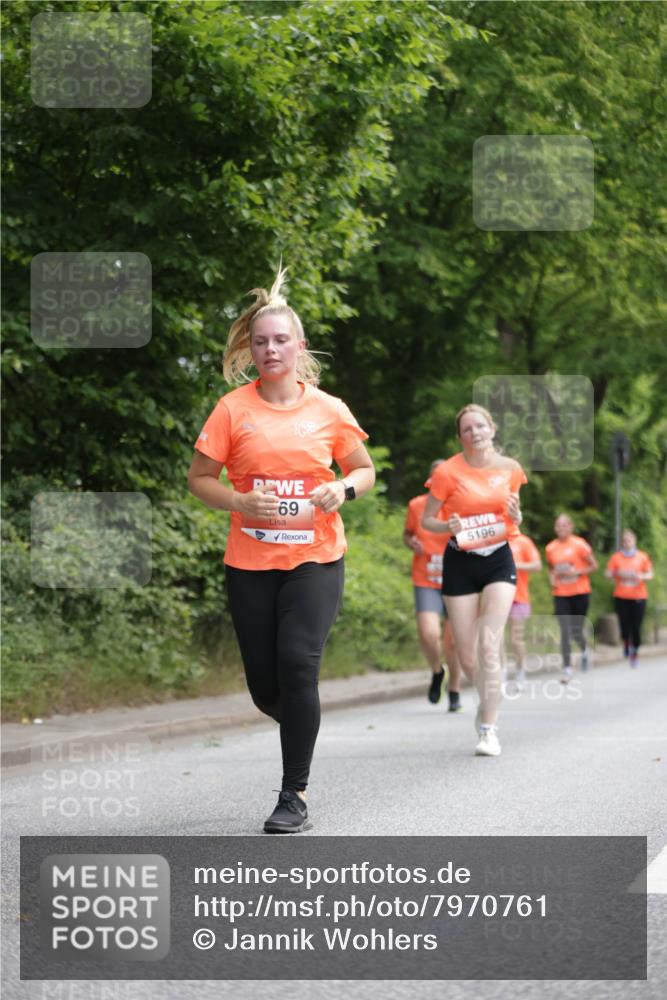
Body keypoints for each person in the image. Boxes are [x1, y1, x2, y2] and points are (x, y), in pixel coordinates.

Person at [188, 266, 375, 833]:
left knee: (298, 665)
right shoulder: (232, 409)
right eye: (261, 341)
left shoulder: (328, 409)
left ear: (298, 347)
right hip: (249, 563)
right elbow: (200, 479)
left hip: (316, 558)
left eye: (281, 340)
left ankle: (293, 795)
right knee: (267, 688)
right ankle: (301, 717)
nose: (271, 349)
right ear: (251, 347)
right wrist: (241, 504)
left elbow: (364, 471)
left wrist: (340, 488)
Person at [422, 404, 526, 757]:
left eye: (480, 426)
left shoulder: (510, 469)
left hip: (498, 558)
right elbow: (428, 520)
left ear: (492, 429)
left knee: (488, 644)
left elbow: (515, 517)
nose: (475, 433)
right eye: (467, 429)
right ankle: (487, 700)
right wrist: (446, 526)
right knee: (467, 658)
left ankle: (489, 728)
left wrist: (517, 515)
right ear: (460, 437)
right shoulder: (448, 472)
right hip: (460, 561)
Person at [403, 460, 463, 712]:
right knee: (429, 634)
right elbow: (407, 534)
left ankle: (454, 691)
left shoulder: (460, 506)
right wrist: (411, 543)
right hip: (425, 577)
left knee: (452, 642)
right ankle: (438, 671)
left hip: (456, 578)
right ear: (430, 480)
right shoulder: (417, 505)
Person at [545, 514, 598, 683]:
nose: (561, 528)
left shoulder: (580, 544)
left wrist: (577, 572)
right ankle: (567, 669)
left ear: (571, 527)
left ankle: (584, 651)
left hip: (580, 592)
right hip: (561, 593)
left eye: (564, 525)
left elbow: (594, 565)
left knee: (576, 629)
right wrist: (552, 579)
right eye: (558, 525)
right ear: (555, 528)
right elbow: (551, 568)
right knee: (565, 630)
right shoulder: (551, 548)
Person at [605, 529, 653, 667]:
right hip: (621, 596)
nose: (626, 543)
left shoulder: (642, 557)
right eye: (624, 541)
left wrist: (641, 576)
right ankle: (626, 642)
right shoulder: (616, 557)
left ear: (634, 541)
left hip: (639, 596)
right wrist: (616, 573)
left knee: (636, 626)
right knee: (624, 625)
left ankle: (635, 652)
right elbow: (608, 574)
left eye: (629, 540)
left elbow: (650, 574)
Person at [506, 532, 542, 690]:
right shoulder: (493, 538)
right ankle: (500, 674)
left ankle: (521, 672)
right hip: (495, 597)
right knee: (495, 638)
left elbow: (537, 565)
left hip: (518, 597)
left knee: (516, 639)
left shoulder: (524, 541)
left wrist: (515, 565)